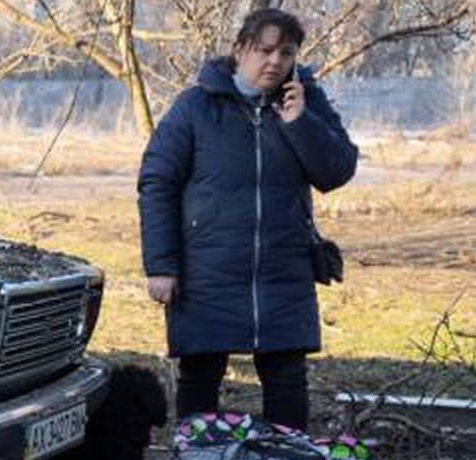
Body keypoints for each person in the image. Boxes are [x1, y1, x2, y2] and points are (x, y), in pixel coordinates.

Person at [138, 7, 358, 432]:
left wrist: (301, 123)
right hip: (208, 271)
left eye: (286, 52)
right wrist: (161, 265)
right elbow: (157, 182)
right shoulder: (196, 106)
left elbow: (336, 172)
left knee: (288, 381)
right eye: (265, 49)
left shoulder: (306, 104)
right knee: (201, 377)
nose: (275, 61)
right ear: (241, 50)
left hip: (283, 272)